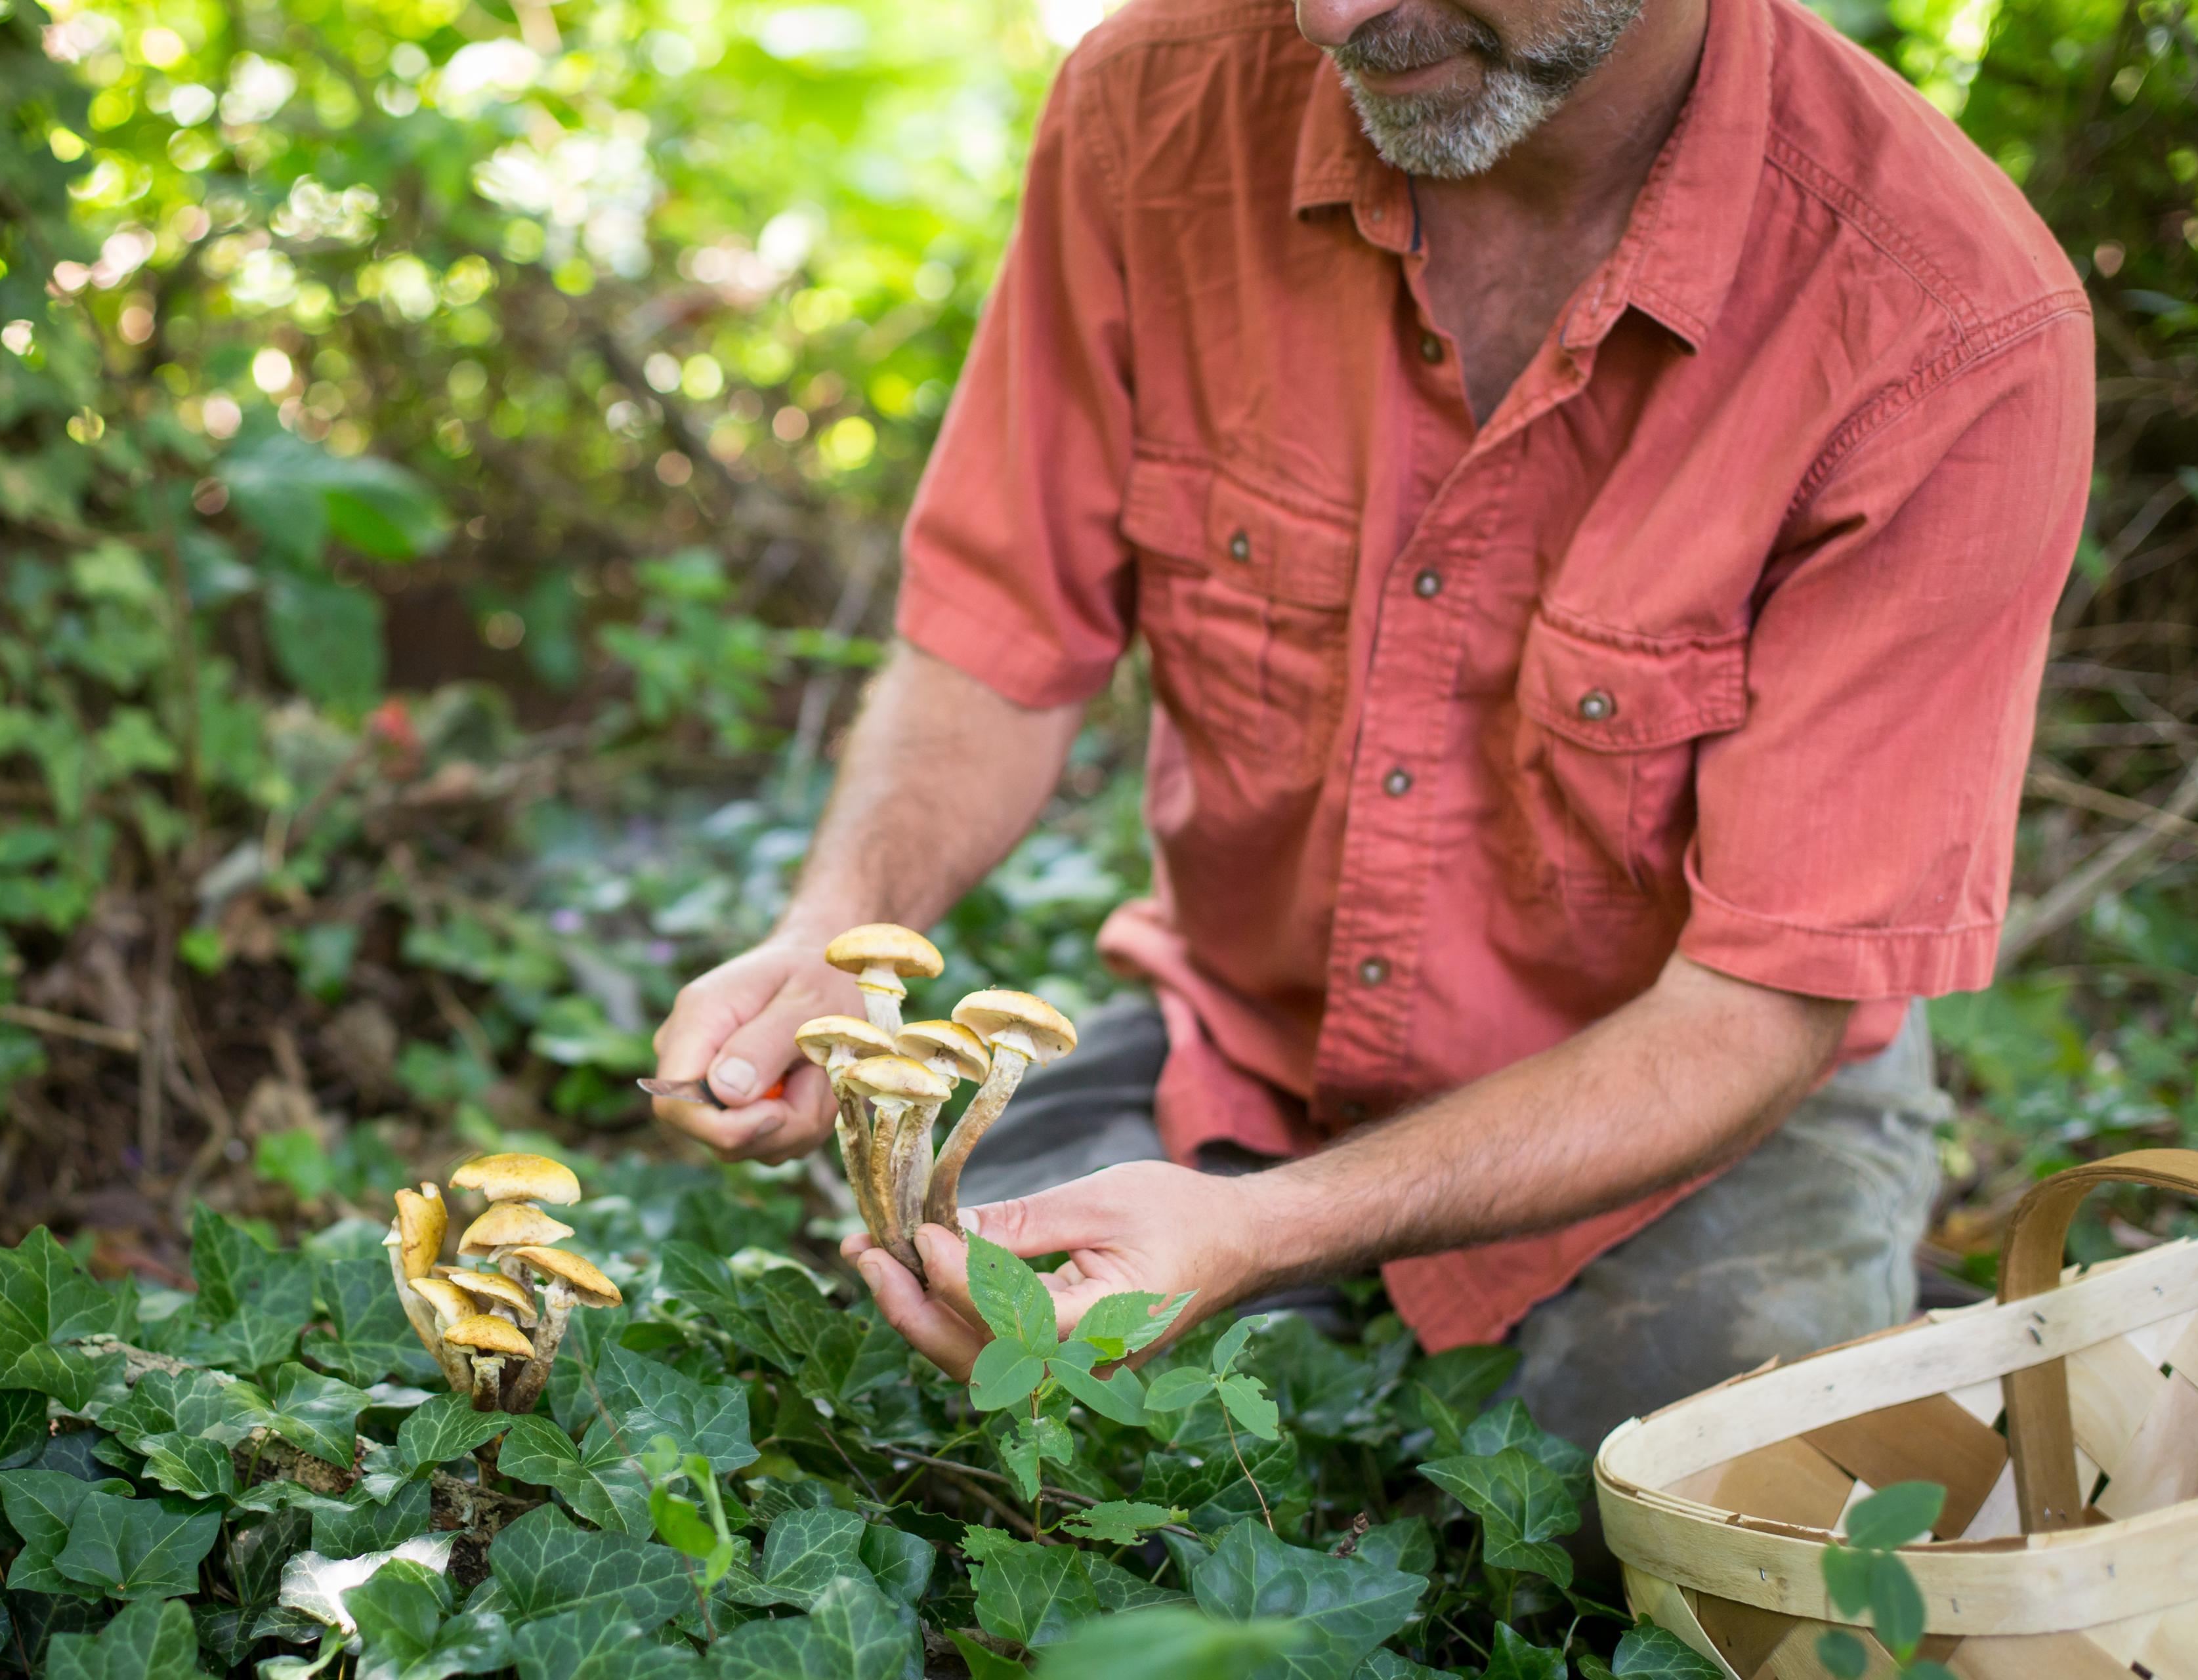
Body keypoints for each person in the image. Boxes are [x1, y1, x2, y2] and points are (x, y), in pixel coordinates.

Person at [649, 0, 2092, 1452]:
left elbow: (1754, 1006)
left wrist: (1271, 1229)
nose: (1331, 17)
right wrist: (832, 938)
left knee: (1693, 1488)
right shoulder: (1155, 108)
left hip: (1699, 1112)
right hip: (1257, 1048)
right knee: (971, 1375)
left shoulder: (1950, 325)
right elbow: (995, 642)